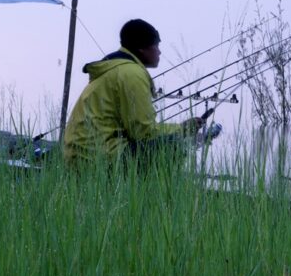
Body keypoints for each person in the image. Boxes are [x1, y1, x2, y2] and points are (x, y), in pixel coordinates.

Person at [63, 18, 205, 167]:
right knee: (172, 147)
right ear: (142, 48)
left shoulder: (115, 68)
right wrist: (182, 129)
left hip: (79, 155)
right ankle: (154, 191)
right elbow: (143, 132)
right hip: (99, 156)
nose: (159, 51)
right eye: (156, 45)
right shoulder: (132, 74)